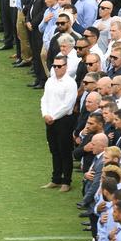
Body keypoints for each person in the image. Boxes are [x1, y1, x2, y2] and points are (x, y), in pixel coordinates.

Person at [40, 55, 78, 191]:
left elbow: (68, 105)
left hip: (64, 121)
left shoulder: (70, 83)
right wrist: (45, 114)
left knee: (65, 151)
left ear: (66, 67)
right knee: (54, 149)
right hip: (50, 120)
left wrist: (53, 116)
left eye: (59, 66)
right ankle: (56, 178)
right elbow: (44, 99)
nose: (56, 68)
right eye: (54, 66)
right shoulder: (50, 81)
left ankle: (66, 181)